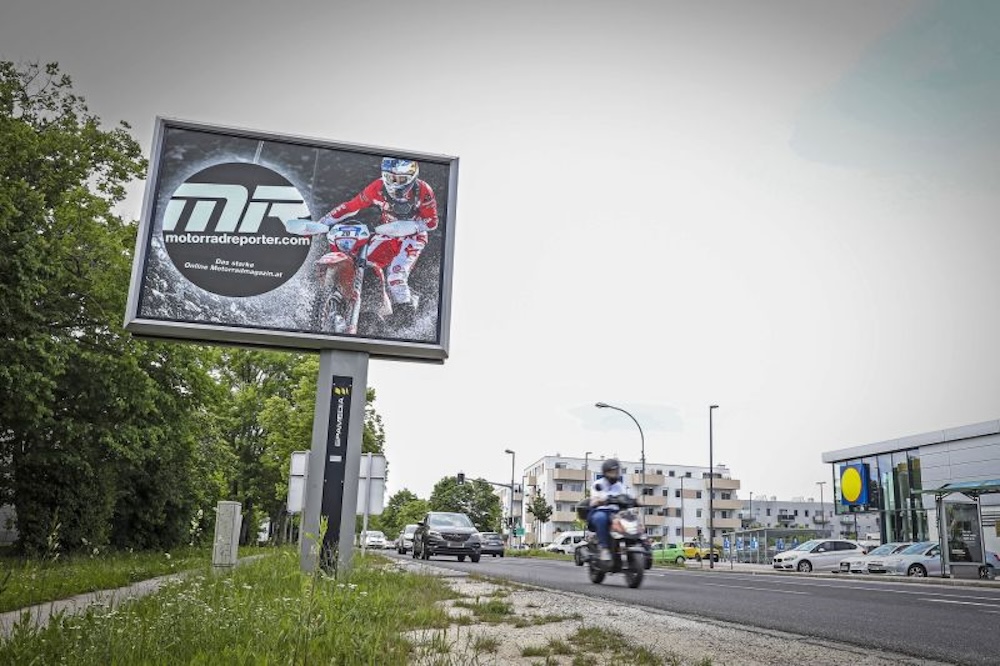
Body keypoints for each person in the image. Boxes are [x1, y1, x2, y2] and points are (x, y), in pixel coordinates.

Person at [317, 158, 438, 321]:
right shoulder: (378, 187)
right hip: (387, 233)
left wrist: (411, 226)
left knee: (396, 277)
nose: (394, 183)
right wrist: (322, 223)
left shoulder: (423, 190)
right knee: (363, 265)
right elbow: (352, 206)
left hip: (414, 236)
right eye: (390, 178)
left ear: (412, 177)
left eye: (400, 179)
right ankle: (379, 307)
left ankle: (405, 322)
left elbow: (432, 222)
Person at [588, 458, 629, 563]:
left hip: (616, 513)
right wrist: (601, 500)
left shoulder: (620, 486)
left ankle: (638, 546)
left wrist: (637, 501)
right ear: (605, 472)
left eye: (616, 472)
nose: (614, 475)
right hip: (601, 511)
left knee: (631, 519)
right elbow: (594, 501)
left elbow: (626, 497)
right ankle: (604, 548)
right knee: (601, 518)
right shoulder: (598, 484)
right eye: (612, 472)